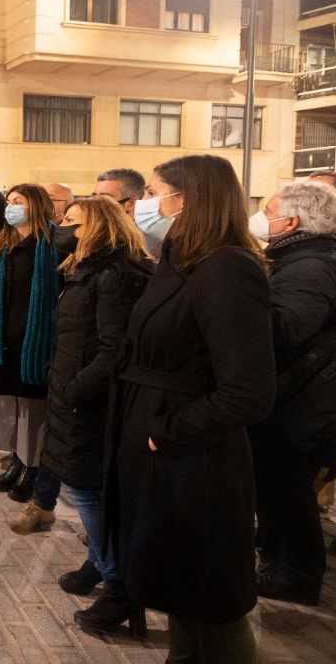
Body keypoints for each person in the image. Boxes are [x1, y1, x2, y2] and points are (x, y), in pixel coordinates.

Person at [101, 155, 275, 658]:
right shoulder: (182, 259)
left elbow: (247, 390)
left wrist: (168, 432)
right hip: (160, 452)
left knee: (209, 600)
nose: (145, 204)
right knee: (179, 591)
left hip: (192, 461)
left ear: (188, 199)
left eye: (155, 192)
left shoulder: (227, 269)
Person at [7, 200, 151, 611]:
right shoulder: (85, 269)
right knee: (86, 484)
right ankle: (103, 566)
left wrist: (73, 388)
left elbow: (113, 349)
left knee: (87, 490)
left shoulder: (114, 275)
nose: (62, 227)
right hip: (73, 392)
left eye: (72, 221)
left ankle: (117, 581)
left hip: (89, 400)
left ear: (99, 228)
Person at [248, 181, 336, 606]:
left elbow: (286, 328)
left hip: (305, 398)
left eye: (267, 210)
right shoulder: (300, 257)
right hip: (300, 393)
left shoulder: (310, 265)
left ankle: (296, 575)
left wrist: (243, 305)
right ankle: (280, 561)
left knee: (287, 486)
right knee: (279, 485)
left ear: (293, 221)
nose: (261, 218)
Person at [0, 184, 62, 502]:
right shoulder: (2, 243)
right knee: (8, 407)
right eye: (9, 202)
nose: (10, 207)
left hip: (33, 343)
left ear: (35, 206)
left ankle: (33, 468)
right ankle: (16, 460)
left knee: (33, 411)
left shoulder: (53, 243)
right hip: (2, 341)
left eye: (18, 202)